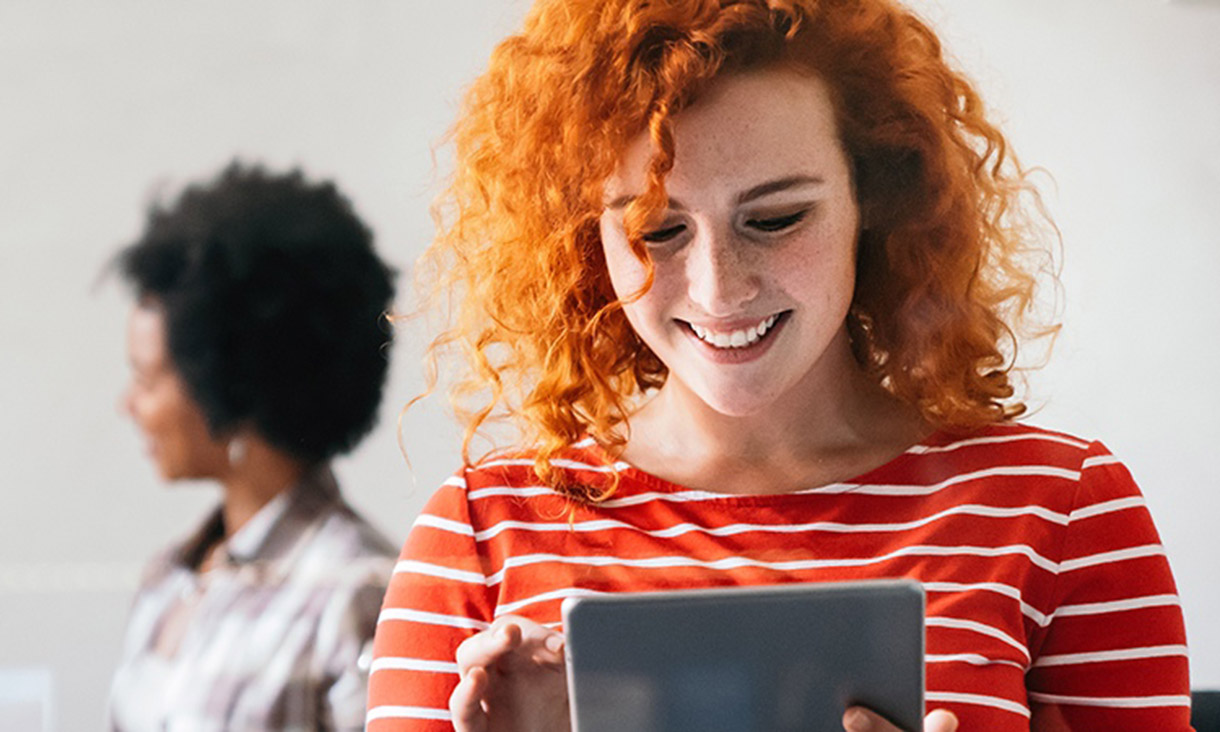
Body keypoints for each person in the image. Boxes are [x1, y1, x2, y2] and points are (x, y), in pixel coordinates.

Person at [367, 0, 1191, 730]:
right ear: (589, 241)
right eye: (657, 231)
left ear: (877, 200)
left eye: (777, 219)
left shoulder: (1061, 510)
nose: (718, 288)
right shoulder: (482, 532)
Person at [109, 162, 399, 731]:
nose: (128, 405)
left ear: (230, 386)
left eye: (145, 380)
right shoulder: (169, 576)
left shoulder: (356, 591)